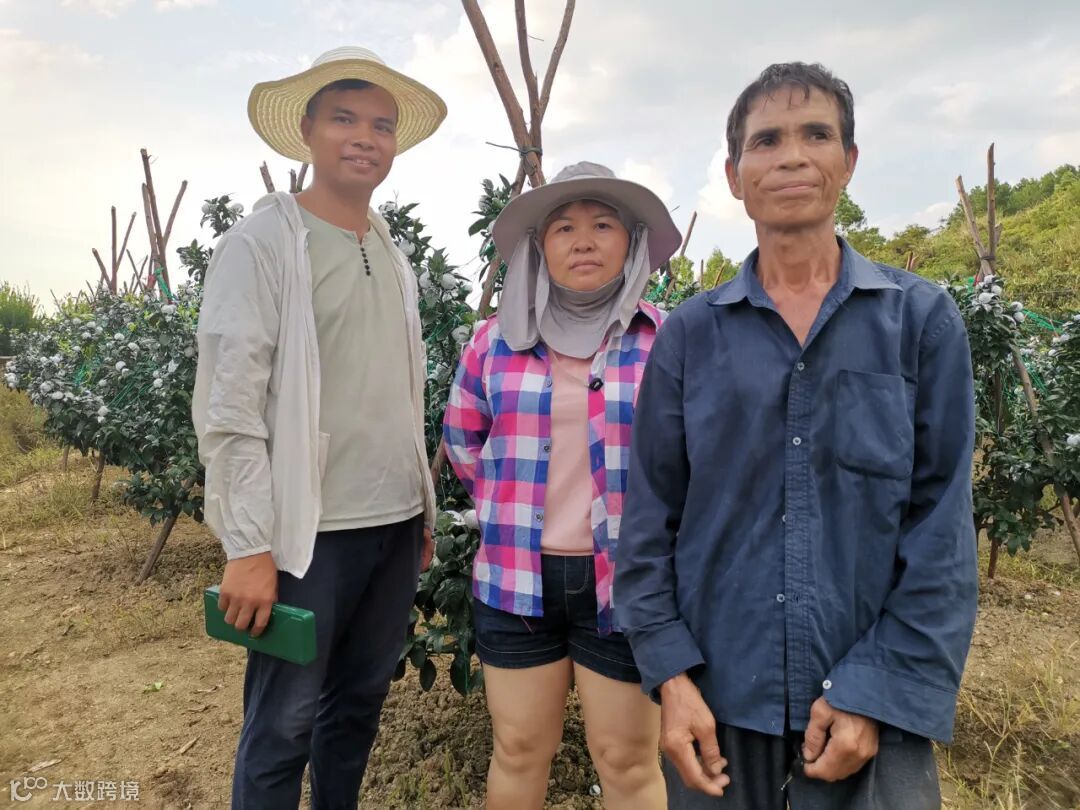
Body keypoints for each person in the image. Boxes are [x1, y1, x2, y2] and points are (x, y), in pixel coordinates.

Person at [615, 62, 979, 809]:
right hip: (717, 702)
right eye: (766, 140)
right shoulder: (690, 335)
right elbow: (649, 522)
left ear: (849, 162)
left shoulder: (920, 322)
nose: (791, 157)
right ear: (734, 176)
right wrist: (671, 677)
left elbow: (941, 531)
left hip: (869, 709)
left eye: (816, 134)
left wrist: (876, 688)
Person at [191, 46, 446, 809]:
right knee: (282, 727)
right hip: (308, 535)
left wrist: (421, 509)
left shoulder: (392, 254)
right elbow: (230, 404)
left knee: (358, 708)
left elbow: (400, 393)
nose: (365, 137)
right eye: (344, 118)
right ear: (306, 130)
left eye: (381, 125)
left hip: (391, 526)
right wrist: (247, 544)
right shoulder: (262, 244)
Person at [443, 162, 681, 809]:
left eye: (603, 225)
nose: (583, 241)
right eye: (564, 227)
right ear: (540, 246)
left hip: (628, 584)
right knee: (519, 749)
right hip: (515, 581)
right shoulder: (493, 344)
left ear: (631, 242)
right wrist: (511, 507)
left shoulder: (666, 340)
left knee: (627, 759)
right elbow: (463, 442)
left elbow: (693, 459)